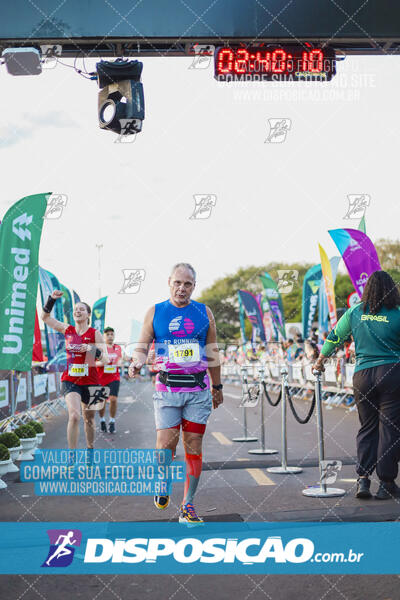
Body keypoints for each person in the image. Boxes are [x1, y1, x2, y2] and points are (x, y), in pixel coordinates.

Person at [128, 263, 223, 525]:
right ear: (169, 282)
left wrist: (217, 387)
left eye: (188, 284)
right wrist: (137, 361)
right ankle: (162, 478)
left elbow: (213, 352)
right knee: (165, 446)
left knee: (193, 446)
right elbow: (141, 346)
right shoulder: (155, 312)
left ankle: (188, 505)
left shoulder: (204, 312)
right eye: (178, 283)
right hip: (167, 389)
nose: (182, 288)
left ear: (194, 286)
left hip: (198, 390)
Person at [313, 271, 400, 500]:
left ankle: (363, 480)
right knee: (389, 430)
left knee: (367, 427)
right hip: (392, 373)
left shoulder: (354, 312)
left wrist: (320, 361)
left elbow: (334, 337)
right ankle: (386, 483)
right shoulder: (397, 313)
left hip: (362, 376)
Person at [41, 291, 108, 461]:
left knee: (89, 419)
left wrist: (92, 349)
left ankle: (90, 449)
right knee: (74, 415)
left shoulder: (95, 333)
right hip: (70, 379)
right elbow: (45, 318)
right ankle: (71, 456)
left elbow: (106, 359)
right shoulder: (67, 329)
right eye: (75, 309)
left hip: (91, 381)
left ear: (88, 315)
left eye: (82, 310)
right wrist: (51, 300)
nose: (77, 311)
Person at [96, 327, 123, 434]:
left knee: (113, 399)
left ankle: (112, 421)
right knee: (101, 402)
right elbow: (93, 363)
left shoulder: (118, 348)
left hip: (114, 377)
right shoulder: (99, 349)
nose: (110, 336)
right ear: (104, 336)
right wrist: (102, 363)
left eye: (112, 334)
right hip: (101, 378)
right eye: (108, 334)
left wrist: (120, 362)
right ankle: (102, 420)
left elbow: (120, 359)